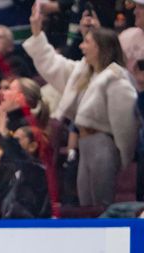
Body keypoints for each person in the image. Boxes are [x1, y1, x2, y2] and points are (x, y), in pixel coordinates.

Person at [24, 7, 139, 208]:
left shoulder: (116, 78)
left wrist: (122, 157)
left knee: (102, 205)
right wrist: (36, 31)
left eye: (87, 42)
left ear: (100, 48)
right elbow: (53, 64)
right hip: (84, 146)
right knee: (86, 205)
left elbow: (126, 125)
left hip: (103, 144)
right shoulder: (83, 73)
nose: (82, 46)